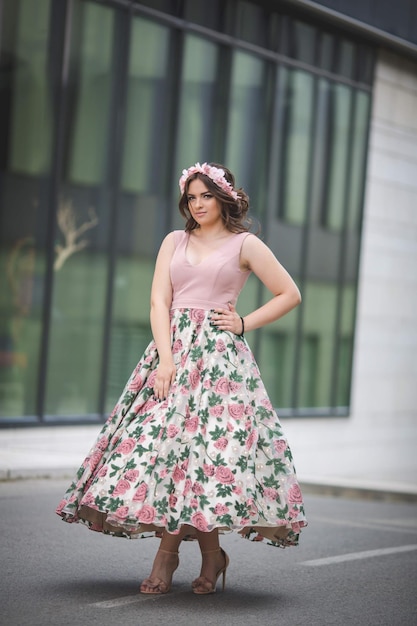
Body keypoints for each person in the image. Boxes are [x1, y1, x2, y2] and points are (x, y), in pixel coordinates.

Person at [56, 162, 307, 595]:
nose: (197, 204)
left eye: (206, 195)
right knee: (167, 453)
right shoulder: (174, 240)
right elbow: (158, 301)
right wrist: (166, 361)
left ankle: (171, 558)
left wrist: (244, 323)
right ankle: (209, 556)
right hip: (170, 355)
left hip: (220, 367)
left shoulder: (246, 244)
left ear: (224, 197)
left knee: (203, 461)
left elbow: (290, 294)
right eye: (191, 197)